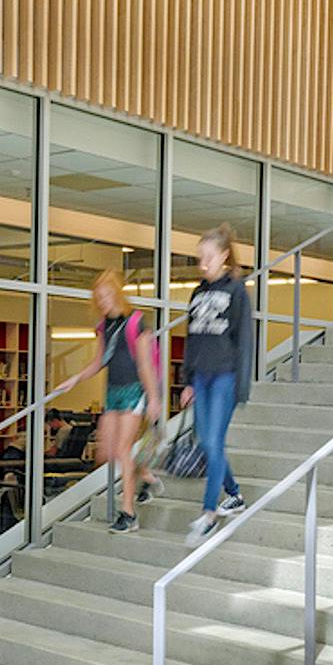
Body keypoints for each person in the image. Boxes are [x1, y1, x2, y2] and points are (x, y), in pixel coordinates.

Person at [59, 270, 165, 533]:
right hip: (112, 393)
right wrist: (75, 379)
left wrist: (154, 399)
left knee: (121, 450)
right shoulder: (105, 326)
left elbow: (144, 365)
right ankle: (148, 478)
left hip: (133, 391)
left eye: (107, 295)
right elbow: (98, 362)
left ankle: (128, 513)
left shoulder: (136, 322)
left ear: (117, 293)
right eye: (99, 298)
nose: (103, 301)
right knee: (106, 452)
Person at [178, 224, 253, 547]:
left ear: (223, 256)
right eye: (199, 258)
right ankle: (234, 494)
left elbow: (244, 341)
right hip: (201, 377)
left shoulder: (236, 291)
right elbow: (192, 339)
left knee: (211, 443)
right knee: (210, 444)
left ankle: (209, 513)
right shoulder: (197, 293)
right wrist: (187, 381)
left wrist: (242, 387)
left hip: (225, 376)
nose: (202, 263)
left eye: (208, 257)